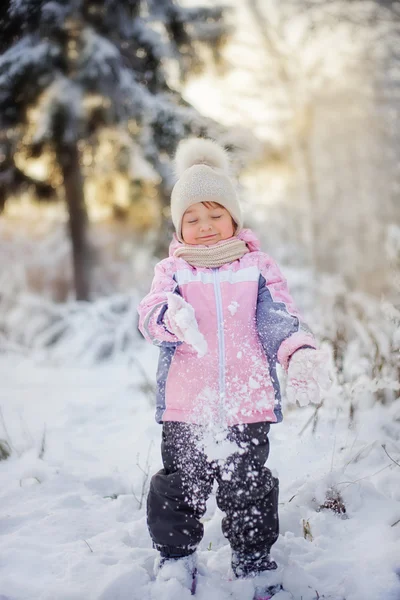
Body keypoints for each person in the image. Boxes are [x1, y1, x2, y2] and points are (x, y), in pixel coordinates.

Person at [137, 138, 329, 595]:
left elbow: (276, 317)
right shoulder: (173, 272)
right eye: (193, 218)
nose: (205, 226)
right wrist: (172, 317)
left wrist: (297, 350)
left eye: (215, 214)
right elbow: (149, 316)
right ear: (179, 226)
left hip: (248, 401)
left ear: (234, 217)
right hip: (189, 403)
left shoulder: (257, 268)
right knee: (181, 486)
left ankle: (254, 559)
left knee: (248, 486)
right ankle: (177, 560)